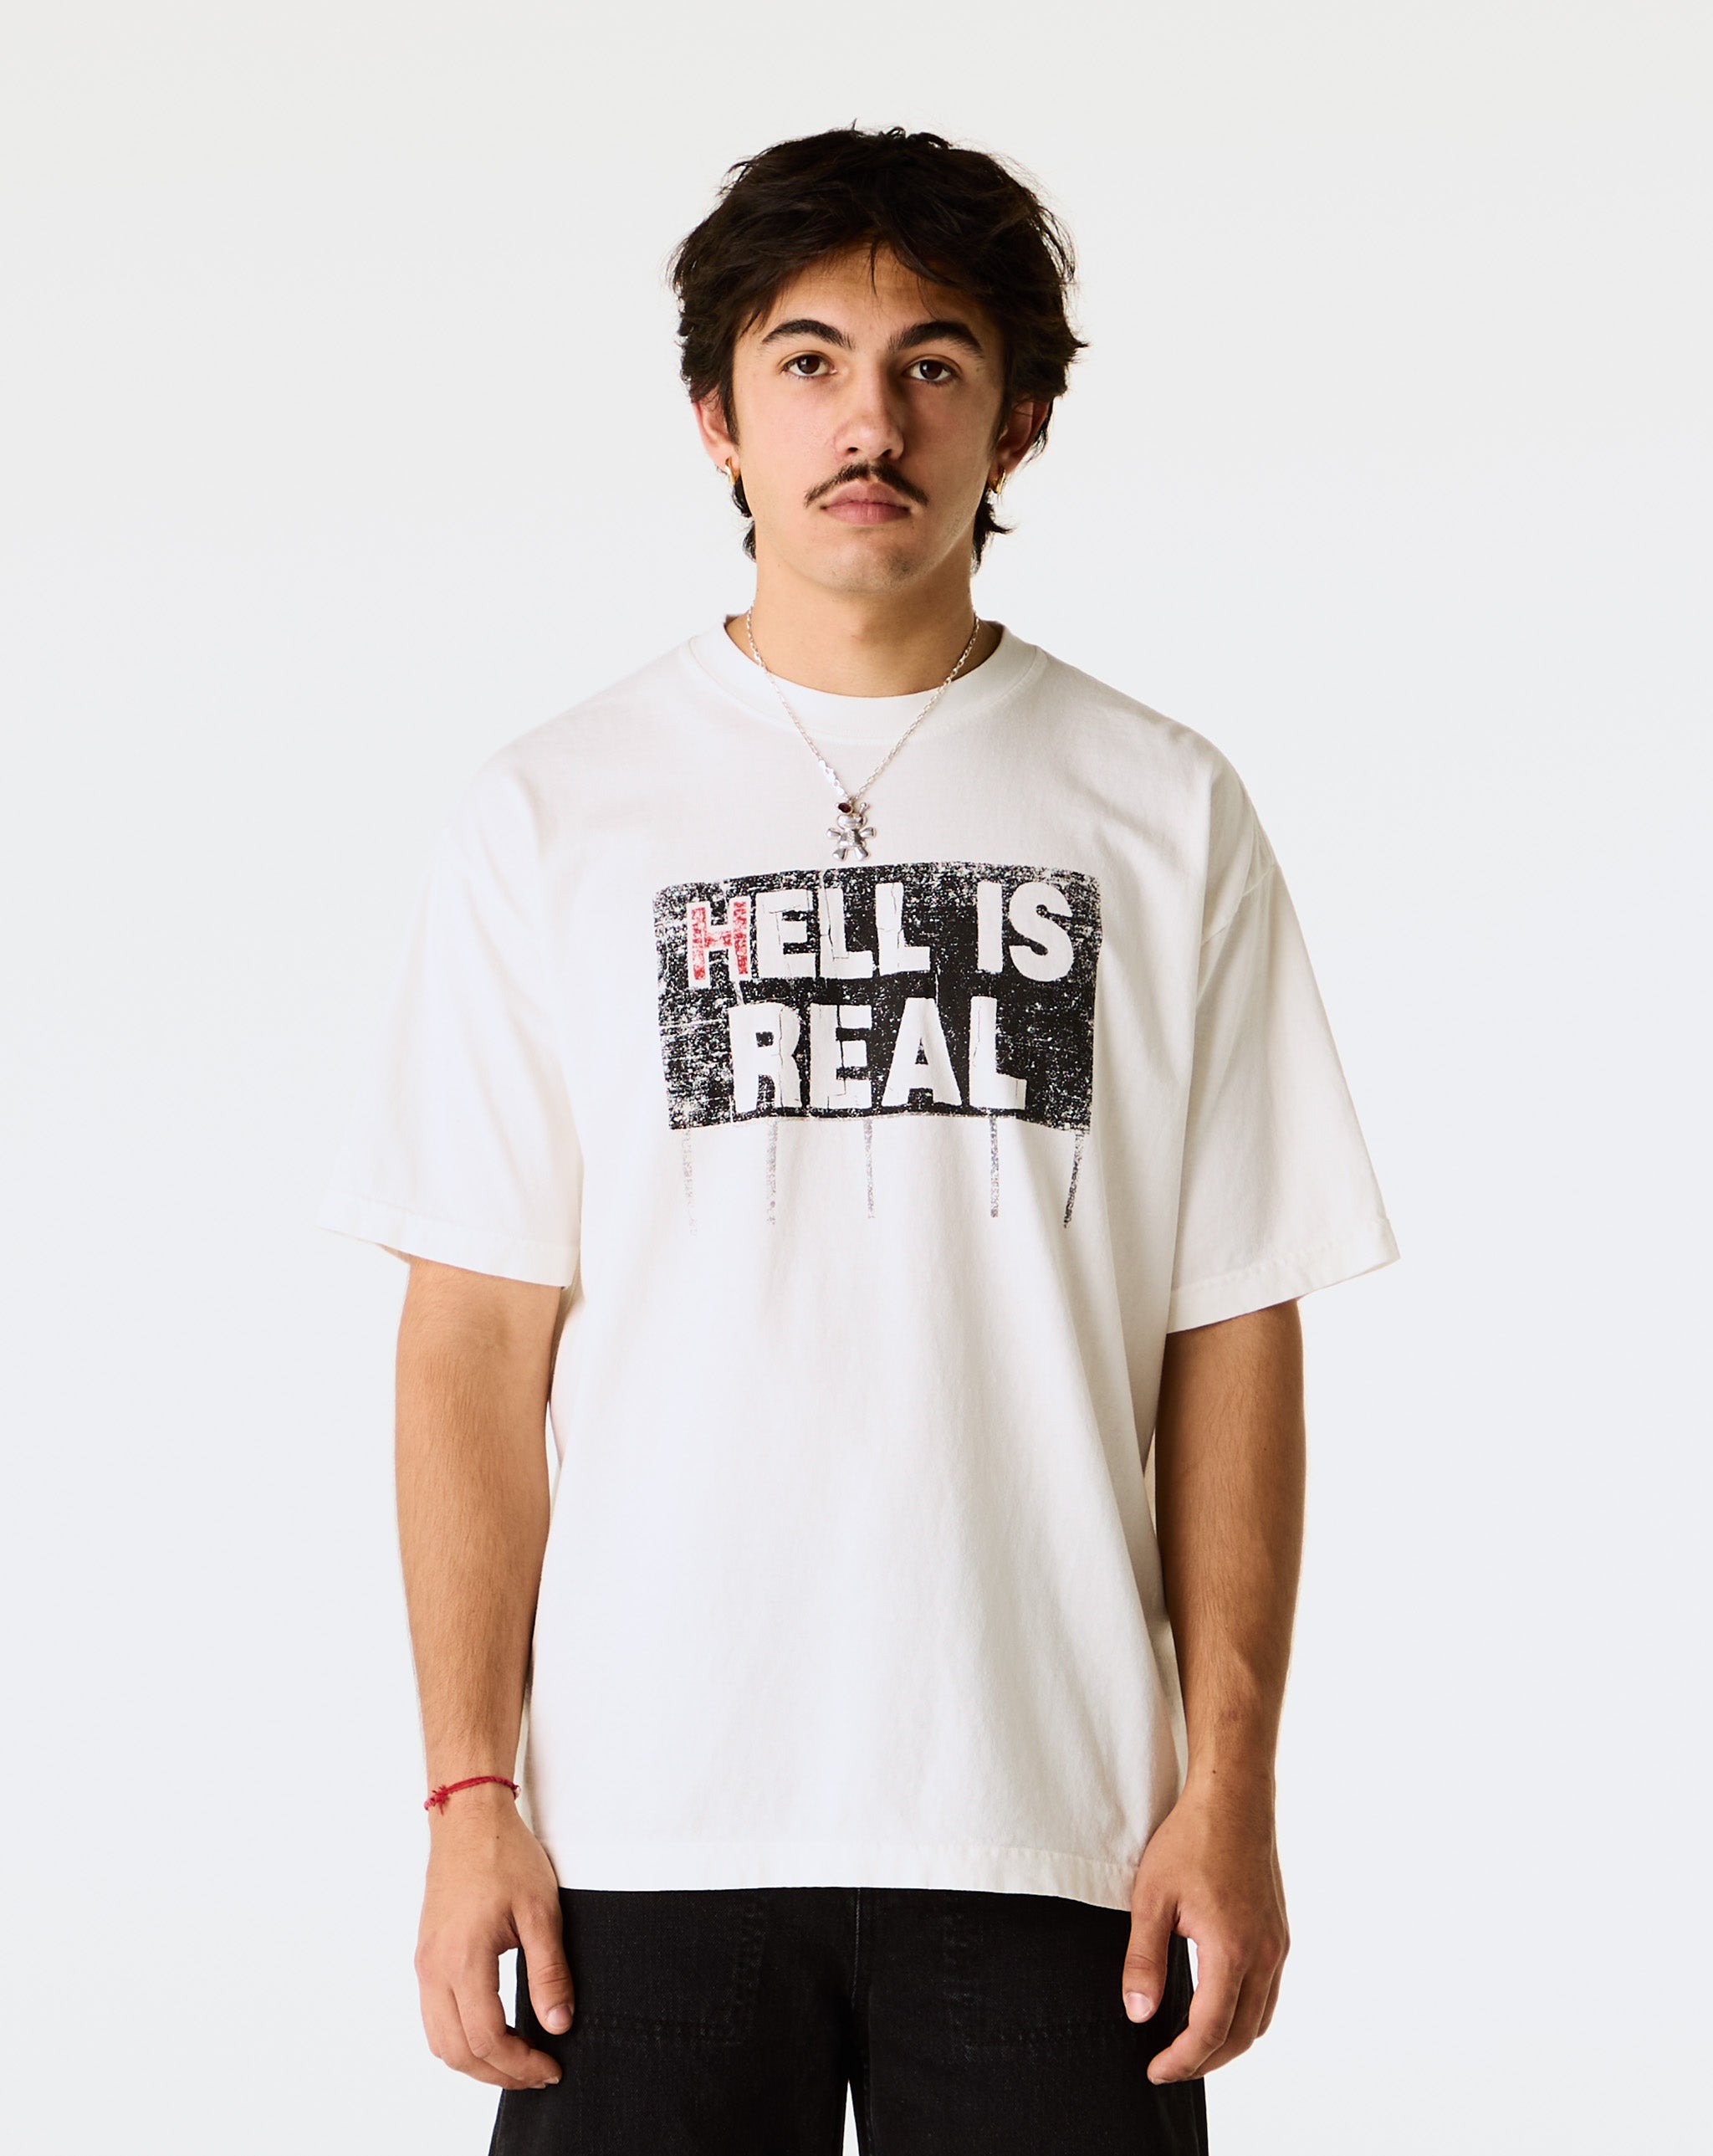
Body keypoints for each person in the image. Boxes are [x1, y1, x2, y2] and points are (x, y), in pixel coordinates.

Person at [318, 125, 1399, 2155]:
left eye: (933, 364)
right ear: (716, 418)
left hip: (1058, 1826)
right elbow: (470, 1334)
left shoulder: (1162, 807)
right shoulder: (554, 812)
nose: (868, 421)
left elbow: (1232, 1324)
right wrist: (471, 1794)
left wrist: (1230, 1786)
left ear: (1019, 420)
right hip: (640, 1826)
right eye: (806, 361)